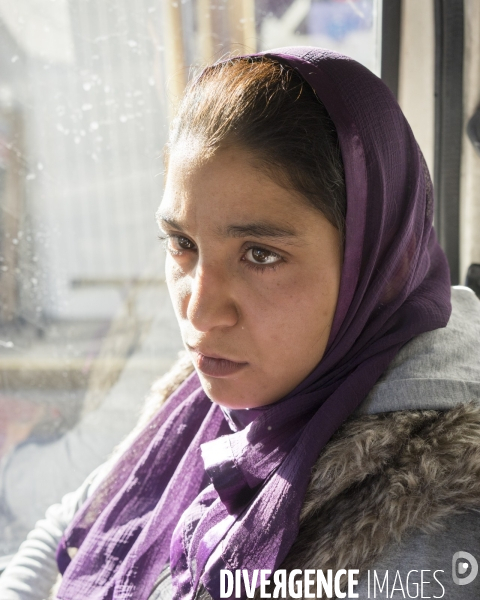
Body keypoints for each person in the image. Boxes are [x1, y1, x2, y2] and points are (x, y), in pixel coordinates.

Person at [1, 46, 480, 600]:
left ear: (371, 262)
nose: (200, 313)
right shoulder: (213, 395)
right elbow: (77, 518)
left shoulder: (434, 528)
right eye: (182, 244)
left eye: (259, 254)